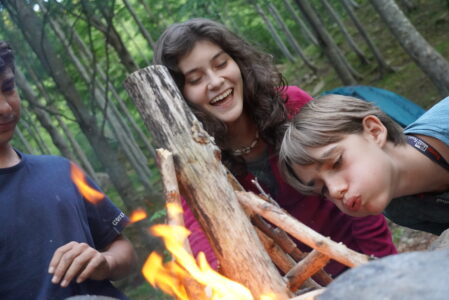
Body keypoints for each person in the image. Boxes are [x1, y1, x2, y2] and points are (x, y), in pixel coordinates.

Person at [153, 18, 397, 277]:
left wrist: (381, 267)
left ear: (238, 62)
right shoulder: (189, 157)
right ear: (181, 96)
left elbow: (355, 191)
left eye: (221, 64)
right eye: (195, 78)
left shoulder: (291, 104)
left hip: (360, 262)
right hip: (290, 287)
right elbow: (197, 236)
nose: (215, 81)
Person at [0, 41, 136, 299]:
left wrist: (104, 262)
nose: (5, 107)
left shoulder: (61, 171)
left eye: (8, 88)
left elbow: (124, 251)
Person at [279, 94, 449, 235]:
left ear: (374, 132)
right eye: (323, 190)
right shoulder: (400, 210)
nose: (335, 190)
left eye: (337, 162)